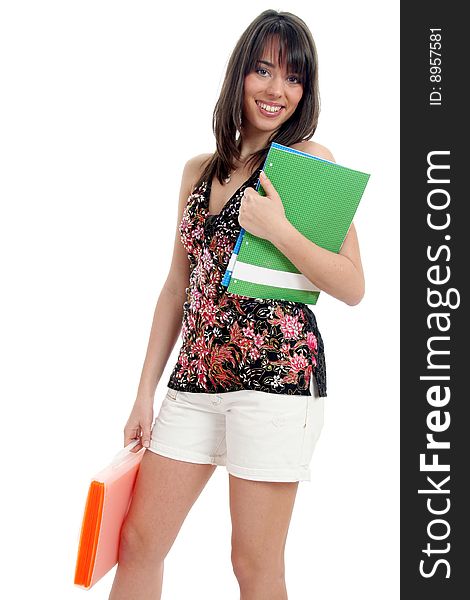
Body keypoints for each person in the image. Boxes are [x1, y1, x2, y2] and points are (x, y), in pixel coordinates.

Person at [108, 9, 364, 600]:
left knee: (252, 564)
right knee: (139, 543)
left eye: (293, 78)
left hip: (275, 381)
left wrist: (280, 229)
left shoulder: (307, 166)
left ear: (306, 91)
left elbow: (352, 285)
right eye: (263, 70)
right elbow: (177, 287)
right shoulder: (198, 171)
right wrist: (144, 391)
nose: (277, 90)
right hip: (194, 381)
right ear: (239, 76)